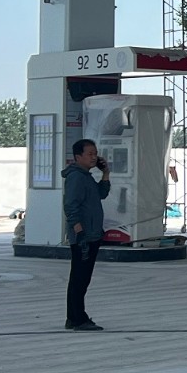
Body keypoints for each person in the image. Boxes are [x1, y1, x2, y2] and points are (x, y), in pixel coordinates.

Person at [62, 138, 110, 331]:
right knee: (80, 278)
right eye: (89, 154)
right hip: (84, 236)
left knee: (81, 277)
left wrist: (105, 173)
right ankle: (78, 318)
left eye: (95, 154)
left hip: (92, 233)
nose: (94, 157)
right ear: (78, 157)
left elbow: (101, 194)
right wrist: (78, 230)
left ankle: (73, 317)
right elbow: (70, 206)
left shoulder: (86, 177)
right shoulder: (76, 177)